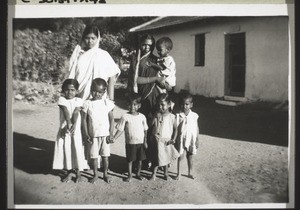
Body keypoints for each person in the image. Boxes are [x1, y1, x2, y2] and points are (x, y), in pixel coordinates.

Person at [68, 25, 120, 100]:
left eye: (93, 38)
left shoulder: (103, 55)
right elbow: (72, 75)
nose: (90, 41)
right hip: (80, 96)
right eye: (87, 38)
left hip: (99, 97)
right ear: (83, 38)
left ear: (97, 38)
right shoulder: (78, 54)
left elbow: (112, 75)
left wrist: (111, 99)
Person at [52, 79, 87, 183]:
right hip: (65, 129)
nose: (70, 92)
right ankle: (69, 171)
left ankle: (78, 173)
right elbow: (66, 111)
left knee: (76, 149)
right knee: (67, 149)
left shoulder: (79, 101)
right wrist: (68, 123)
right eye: (67, 90)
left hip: (75, 130)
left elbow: (76, 112)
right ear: (63, 90)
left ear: (76, 91)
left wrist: (74, 124)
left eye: (72, 90)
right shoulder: (62, 100)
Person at [81, 78, 115, 183]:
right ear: (91, 90)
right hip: (93, 136)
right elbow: (83, 120)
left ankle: (105, 174)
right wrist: (86, 134)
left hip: (105, 135)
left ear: (104, 92)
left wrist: (111, 133)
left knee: (105, 157)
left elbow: (112, 119)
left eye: (100, 92)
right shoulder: (87, 103)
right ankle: (95, 174)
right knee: (94, 157)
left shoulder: (107, 103)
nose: (97, 94)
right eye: (95, 91)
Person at [114, 93, 148, 182]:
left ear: (139, 105)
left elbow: (145, 130)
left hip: (140, 143)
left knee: (140, 160)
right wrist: (114, 137)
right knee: (130, 160)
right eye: (130, 104)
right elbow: (120, 129)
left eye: (135, 104)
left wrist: (145, 141)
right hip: (130, 143)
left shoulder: (142, 117)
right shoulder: (125, 116)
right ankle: (129, 175)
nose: (132, 107)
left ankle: (138, 173)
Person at [150, 93, 180, 181]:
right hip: (156, 139)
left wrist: (173, 139)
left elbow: (175, 129)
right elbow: (150, 125)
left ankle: (165, 173)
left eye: (162, 105)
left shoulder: (172, 117)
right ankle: (153, 174)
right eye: (158, 104)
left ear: (169, 104)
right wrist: (154, 117)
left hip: (166, 140)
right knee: (155, 157)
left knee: (166, 158)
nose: (160, 107)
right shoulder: (156, 114)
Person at [175, 92, 200, 180]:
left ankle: (190, 172)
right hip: (181, 139)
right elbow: (176, 129)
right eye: (182, 104)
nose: (184, 106)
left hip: (191, 139)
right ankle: (179, 173)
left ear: (191, 105)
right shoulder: (178, 116)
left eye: (187, 104)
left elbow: (196, 128)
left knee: (190, 156)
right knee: (180, 156)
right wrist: (175, 139)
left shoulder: (194, 116)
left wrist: (197, 139)